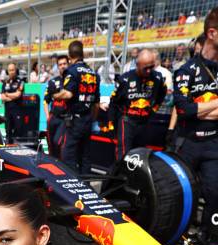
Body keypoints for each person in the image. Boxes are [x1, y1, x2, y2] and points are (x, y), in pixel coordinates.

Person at [173, 7, 218, 245]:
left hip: (214, 143)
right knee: (185, 195)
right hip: (188, 141)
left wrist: (201, 109)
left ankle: (209, 239)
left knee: (214, 192)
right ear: (212, 33)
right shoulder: (187, 71)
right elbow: (184, 110)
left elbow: (193, 109)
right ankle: (180, 236)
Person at [107, 49, 166, 160]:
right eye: (145, 68)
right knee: (124, 156)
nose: (149, 71)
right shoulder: (124, 79)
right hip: (127, 122)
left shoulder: (157, 78)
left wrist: (154, 109)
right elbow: (113, 102)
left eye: (151, 67)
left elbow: (162, 94)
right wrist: (111, 124)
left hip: (145, 122)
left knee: (140, 155)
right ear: (138, 65)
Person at [53, 40, 100, 174]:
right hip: (88, 119)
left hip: (75, 120)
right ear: (82, 53)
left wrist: (55, 96)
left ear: (69, 56)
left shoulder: (72, 71)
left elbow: (67, 94)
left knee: (68, 154)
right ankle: (86, 184)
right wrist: (92, 120)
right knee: (85, 155)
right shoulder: (93, 73)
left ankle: (72, 185)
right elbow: (96, 103)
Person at [43, 54, 69, 158]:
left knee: (58, 142)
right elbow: (46, 101)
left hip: (65, 119)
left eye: (64, 64)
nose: (63, 66)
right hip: (53, 117)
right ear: (57, 66)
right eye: (60, 64)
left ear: (68, 64)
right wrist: (48, 117)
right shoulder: (52, 82)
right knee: (50, 145)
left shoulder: (72, 81)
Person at [1, 62, 24, 144]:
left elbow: (18, 94)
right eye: (10, 70)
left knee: (17, 131)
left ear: (16, 70)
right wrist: (12, 97)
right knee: (8, 131)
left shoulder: (20, 81)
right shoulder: (5, 82)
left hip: (17, 110)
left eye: (13, 70)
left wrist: (7, 94)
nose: (11, 72)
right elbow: (2, 97)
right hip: (7, 111)